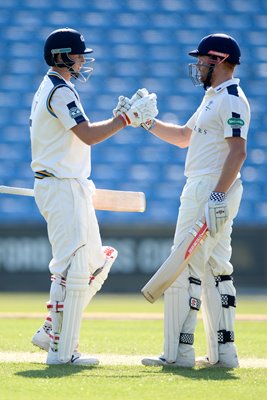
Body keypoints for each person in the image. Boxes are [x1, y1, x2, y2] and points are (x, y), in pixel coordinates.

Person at [30, 27, 158, 365]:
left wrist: (121, 119)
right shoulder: (59, 92)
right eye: (78, 54)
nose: (83, 59)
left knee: (97, 263)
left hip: (69, 185)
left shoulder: (59, 88)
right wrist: (125, 119)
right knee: (70, 268)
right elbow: (87, 135)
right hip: (61, 185)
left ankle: (50, 330)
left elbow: (78, 135)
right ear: (62, 56)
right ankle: (60, 350)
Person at [137, 33, 250, 368]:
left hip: (211, 188)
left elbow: (238, 151)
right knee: (217, 267)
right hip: (212, 188)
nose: (198, 65)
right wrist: (146, 122)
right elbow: (185, 137)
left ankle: (177, 354)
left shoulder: (231, 98)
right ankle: (224, 354)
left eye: (202, 60)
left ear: (218, 60)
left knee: (184, 265)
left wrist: (217, 194)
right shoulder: (212, 97)